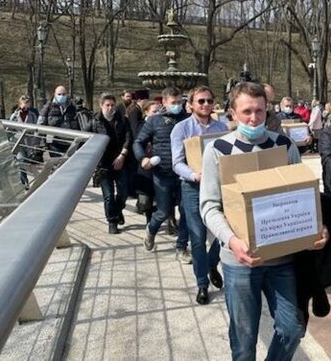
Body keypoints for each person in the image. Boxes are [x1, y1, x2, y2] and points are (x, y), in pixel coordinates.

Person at [200, 81, 329, 361]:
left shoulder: (283, 145)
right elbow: (209, 206)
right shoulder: (217, 150)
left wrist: (316, 228)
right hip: (239, 261)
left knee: (292, 329)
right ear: (232, 113)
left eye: (259, 110)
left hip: (281, 259)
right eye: (246, 111)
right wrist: (232, 241)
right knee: (244, 341)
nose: (254, 118)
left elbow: (302, 193)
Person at [171, 86, 229, 305]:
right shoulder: (181, 128)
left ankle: (212, 262)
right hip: (192, 187)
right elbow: (177, 162)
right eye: (201, 101)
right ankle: (202, 284)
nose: (206, 104)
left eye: (209, 100)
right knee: (197, 238)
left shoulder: (222, 127)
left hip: (218, 186)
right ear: (191, 105)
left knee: (223, 232)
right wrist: (194, 175)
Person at [134, 87, 191, 263]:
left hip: (185, 174)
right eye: (173, 103)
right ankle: (151, 231)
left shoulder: (188, 119)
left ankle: (181, 247)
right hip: (163, 173)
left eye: (179, 102)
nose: (177, 106)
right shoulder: (154, 121)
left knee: (185, 211)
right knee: (164, 211)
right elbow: (139, 141)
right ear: (164, 103)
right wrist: (143, 158)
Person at [91, 93, 132, 234]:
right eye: (107, 105)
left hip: (120, 161)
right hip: (103, 164)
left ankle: (118, 209)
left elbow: (128, 138)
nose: (110, 108)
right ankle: (112, 221)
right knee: (108, 195)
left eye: (112, 105)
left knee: (123, 192)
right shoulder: (94, 122)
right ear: (101, 106)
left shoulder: (122, 120)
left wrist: (122, 155)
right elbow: (87, 142)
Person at [37, 85, 80, 157]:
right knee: (57, 165)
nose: (61, 96)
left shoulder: (73, 107)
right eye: (59, 94)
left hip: (71, 142)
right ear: (54, 94)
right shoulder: (48, 107)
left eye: (64, 94)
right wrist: (37, 143)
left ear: (67, 94)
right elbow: (40, 124)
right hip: (54, 143)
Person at [8, 95, 40, 189]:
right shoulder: (14, 115)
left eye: (27, 102)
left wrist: (36, 142)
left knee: (30, 164)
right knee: (21, 161)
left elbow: (37, 128)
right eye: (24, 102)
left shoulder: (32, 115)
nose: (26, 104)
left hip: (29, 142)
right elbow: (9, 128)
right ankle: (24, 183)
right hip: (18, 142)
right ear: (20, 103)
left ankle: (38, 183)